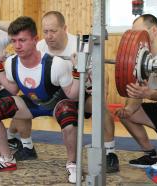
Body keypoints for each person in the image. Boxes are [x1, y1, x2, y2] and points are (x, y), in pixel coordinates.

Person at [7, 11, 119, 173]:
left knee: (102, 110)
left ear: (64, 28)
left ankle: (110, 153)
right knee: (21, 103)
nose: (49, 36)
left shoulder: (81, 47)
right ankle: (27, 147)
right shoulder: (39, 46)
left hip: (80, 92)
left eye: (53, 31)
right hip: (51, 93)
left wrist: (101, 96)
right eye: (45, 32)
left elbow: (102, 75)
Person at [0, 16, 80, 184]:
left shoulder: (56, 64)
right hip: (32, 105)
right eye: (14, 41)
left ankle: (72, 163)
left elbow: (73, 95)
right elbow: (12, 89)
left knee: (68, 113)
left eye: (22, 40)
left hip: (58, 105)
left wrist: (78, 69)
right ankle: (6, 158)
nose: (17, 46)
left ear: (35, 40)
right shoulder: (11, 62)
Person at [115, 14, 157, 186]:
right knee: (126, 112)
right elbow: (140, 92)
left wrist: (147, 93)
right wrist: (130, 110)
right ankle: (151, 155)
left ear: (153, 31)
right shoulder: (140, 57)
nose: (136, 38)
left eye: (139, 32)